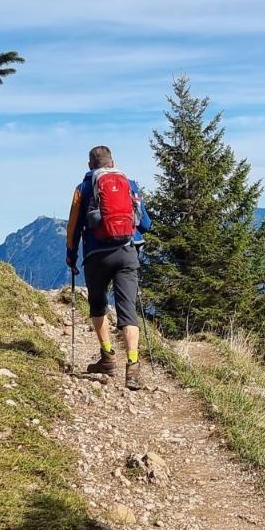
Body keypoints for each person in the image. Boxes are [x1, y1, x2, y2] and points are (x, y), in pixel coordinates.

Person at [65, 145, 152, 388]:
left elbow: (73, 227)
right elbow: (145, 223)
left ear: (89, 165)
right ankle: (132, 367)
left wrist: (71, 255)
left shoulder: (82, 188)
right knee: (128, 311)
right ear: (112, 162)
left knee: (98, 305)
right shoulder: (130, 184)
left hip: (96, 256)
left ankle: (107, 356)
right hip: (127, 253)